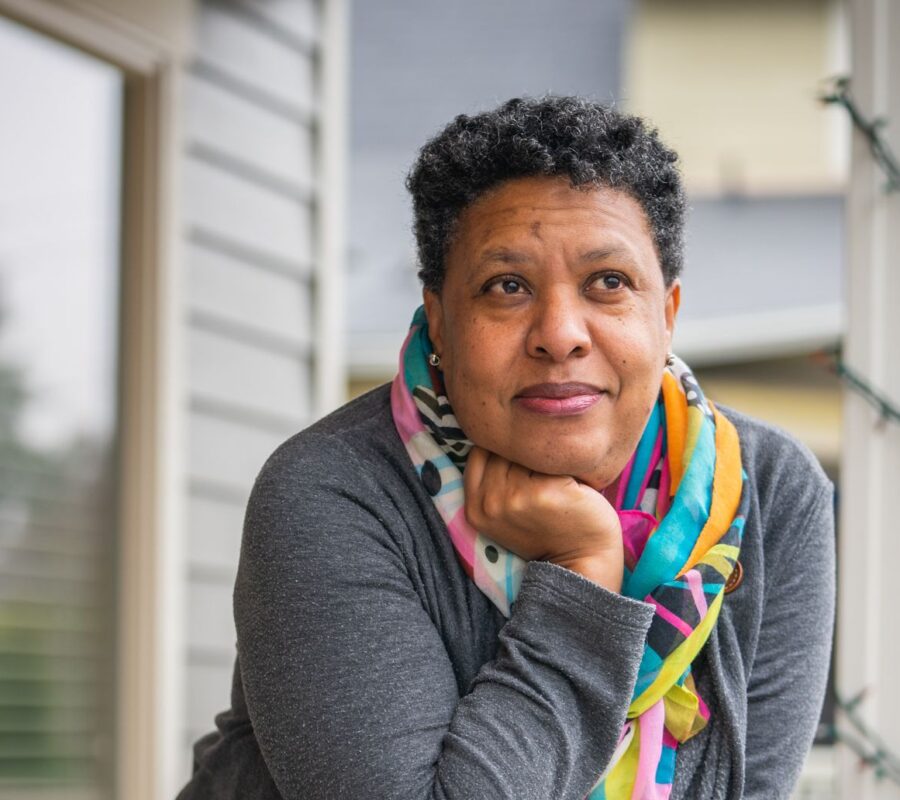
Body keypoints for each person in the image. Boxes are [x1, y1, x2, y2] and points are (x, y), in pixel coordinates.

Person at [176, 96, 834, 799]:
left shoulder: (770, 492)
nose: (560, 333)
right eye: (507, 286)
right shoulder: (334, 494)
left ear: (665, 314)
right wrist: (582, 573)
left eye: (608, 283)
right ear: (440, 317)